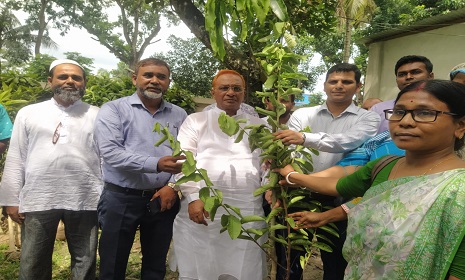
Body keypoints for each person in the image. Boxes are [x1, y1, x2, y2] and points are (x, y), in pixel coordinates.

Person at [275, 79, 465, 279]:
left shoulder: (458, 189)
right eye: (399, 111)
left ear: (460, 126)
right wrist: (292, 175)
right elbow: (337, 185)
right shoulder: (385, 165)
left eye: (425, 113)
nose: (406, 121)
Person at [273, 63, 380, 280]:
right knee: (289, 261)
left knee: (336, 263)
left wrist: (305, 138)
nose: (339, 86)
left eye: (347, 82)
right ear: (324, 86)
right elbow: (289, 153)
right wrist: (289, 180)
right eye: (334, 81)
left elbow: (347, 141)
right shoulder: (303, 114)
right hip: (297, 195)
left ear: (358, 86)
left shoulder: (368, 118)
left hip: (341, 199)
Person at [0, 59, 102, 280]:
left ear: (84, 83)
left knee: (85, 261)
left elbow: (105, 159)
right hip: (38, 197)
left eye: (76, 78)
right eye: (63, 76)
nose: (69, 81)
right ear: (50, 81)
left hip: (86, 198)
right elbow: (17, 156)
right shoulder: (29, 113)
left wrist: (105, 197)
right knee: (33, 262)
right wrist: (10, 199)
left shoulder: (98, 114)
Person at [94, 58, 187, 280]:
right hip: (121, 197)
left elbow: (188, 156)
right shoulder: (113, 110)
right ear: (135, 78)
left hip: (162, 197)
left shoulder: (179, 114)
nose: (154, 81)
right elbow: (110, 152)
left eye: (161, 77)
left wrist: (172, 187)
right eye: (148, 75)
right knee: (112, 264)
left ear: (168, 82)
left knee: (155, 265)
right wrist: (155, 164)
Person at [171, 70, 267, 280]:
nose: (230, 93)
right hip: (204, 207)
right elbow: (184, 162)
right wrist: (194, 198)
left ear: (244, 93)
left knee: (245, 261)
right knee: (202, 261)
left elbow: (266, 165)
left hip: (247, 206)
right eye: (224, 88)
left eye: (236, 88)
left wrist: (270, 188)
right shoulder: (196, 120)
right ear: (213, 92)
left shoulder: (259, 125)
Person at [371, 55, 434, 133]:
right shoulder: (379, 109)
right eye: (402, 74)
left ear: (430, 77)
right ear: (396, 80)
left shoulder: (443, 106)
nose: (408, 77)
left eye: (416, 72)